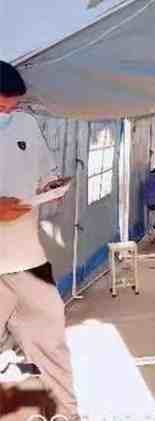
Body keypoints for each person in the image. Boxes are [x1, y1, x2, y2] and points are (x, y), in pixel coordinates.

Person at [0, 61, 78, 419]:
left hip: (29, 259)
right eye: (2, 104)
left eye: (13, 103)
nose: (8, 110)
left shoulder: (26, 124)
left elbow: (45, 170)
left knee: (52, 345)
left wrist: (51, 188)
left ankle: (66, 414)